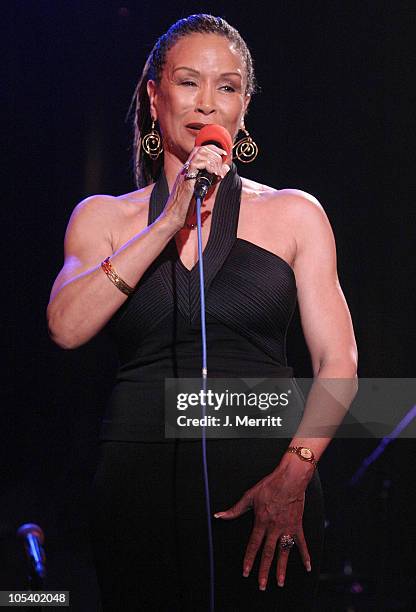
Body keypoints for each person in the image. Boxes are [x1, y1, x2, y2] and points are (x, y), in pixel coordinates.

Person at [47, 13, 358, 612]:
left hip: (267, 481)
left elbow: (338, 359)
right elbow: (65, 326)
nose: (207, 103)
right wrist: (167, 222)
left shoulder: (295, 215)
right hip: (139, 484)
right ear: (155, 94)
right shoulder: (104, 218)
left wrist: (293, 478)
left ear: (244, 108)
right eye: (189, 82)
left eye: (228, 86)